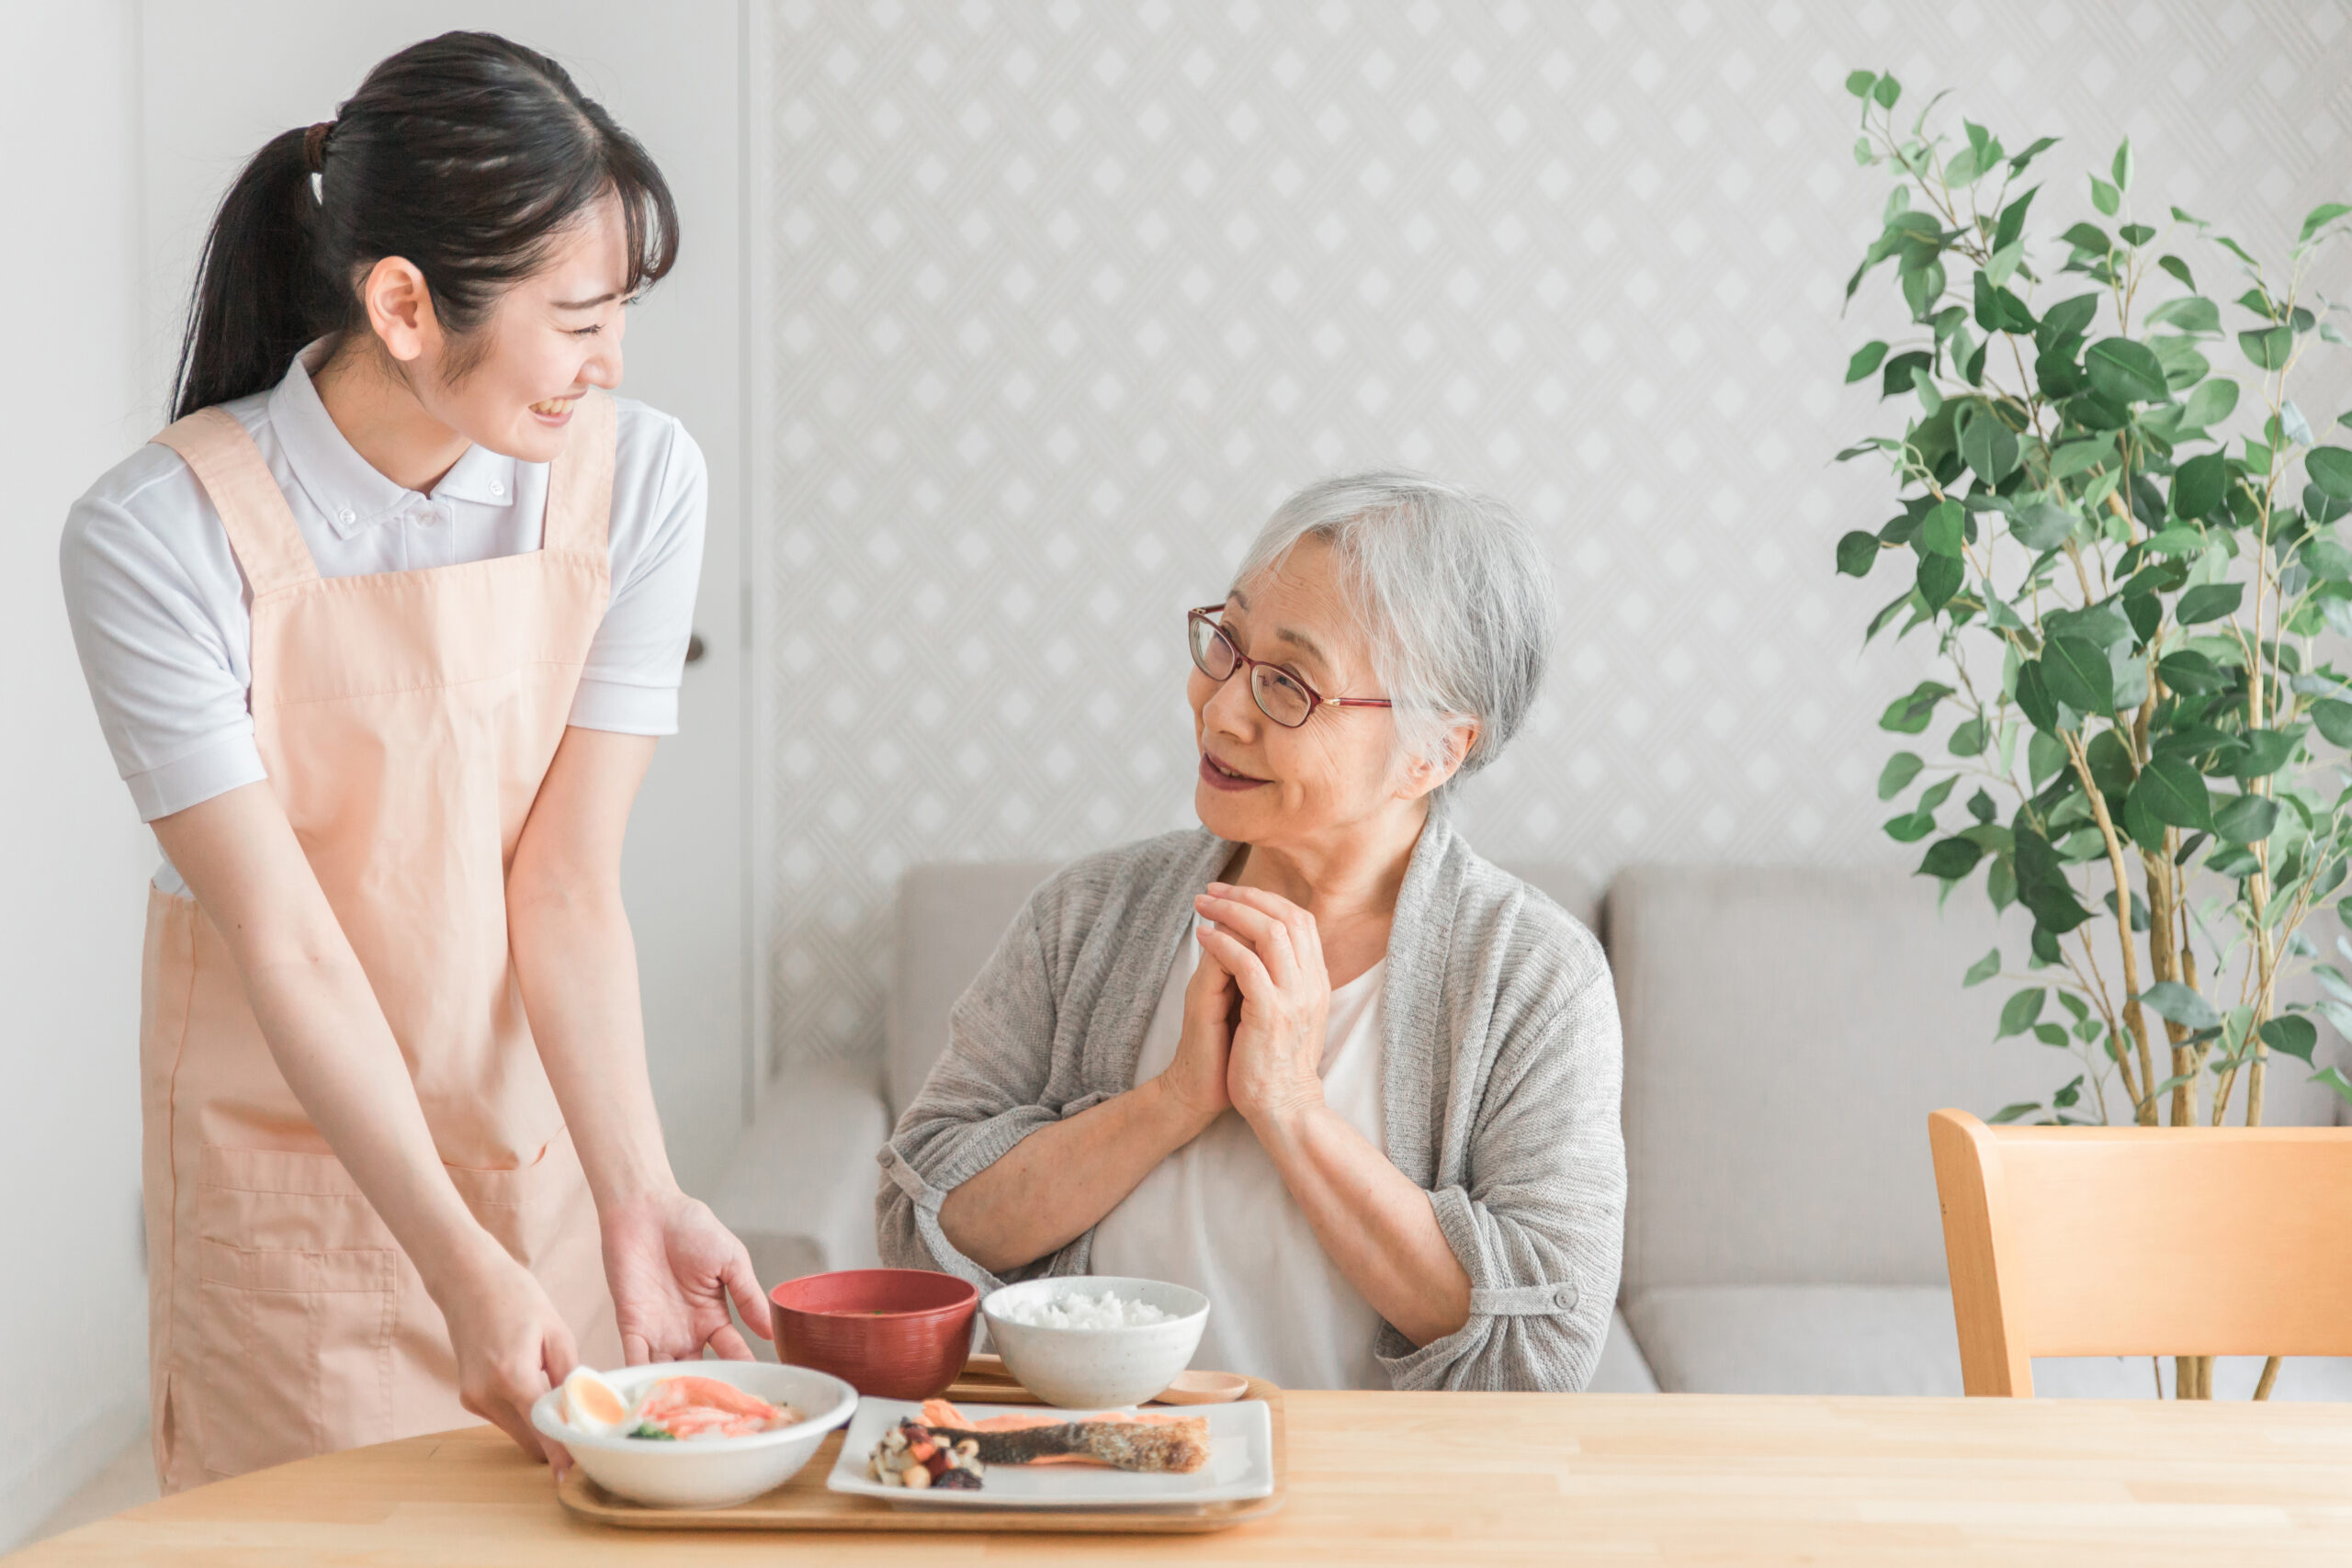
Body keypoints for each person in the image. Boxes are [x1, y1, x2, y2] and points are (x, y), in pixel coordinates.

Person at [59, 33, 765, 1491]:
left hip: (534, 1177)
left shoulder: (641, 479)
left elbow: (564, 885)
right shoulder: (158, 535)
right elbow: (292, 944)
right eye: (575, 318)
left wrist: (643, 1196)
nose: (609, 363)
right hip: (291, 1216)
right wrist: (452, 1258)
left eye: (620, 312)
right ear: (401, 303)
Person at [877, 474, 1625, 1391]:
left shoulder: (1535, 976)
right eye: (1226, 644)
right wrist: (1173, 1101)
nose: (1221, 709)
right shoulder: (1089, 914)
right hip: (1091, 1481)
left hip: (1377, 1520)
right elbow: (920, 1225)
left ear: (1436, 750)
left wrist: (1290, 1109)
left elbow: (1542, 1343)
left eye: (1288, 685)